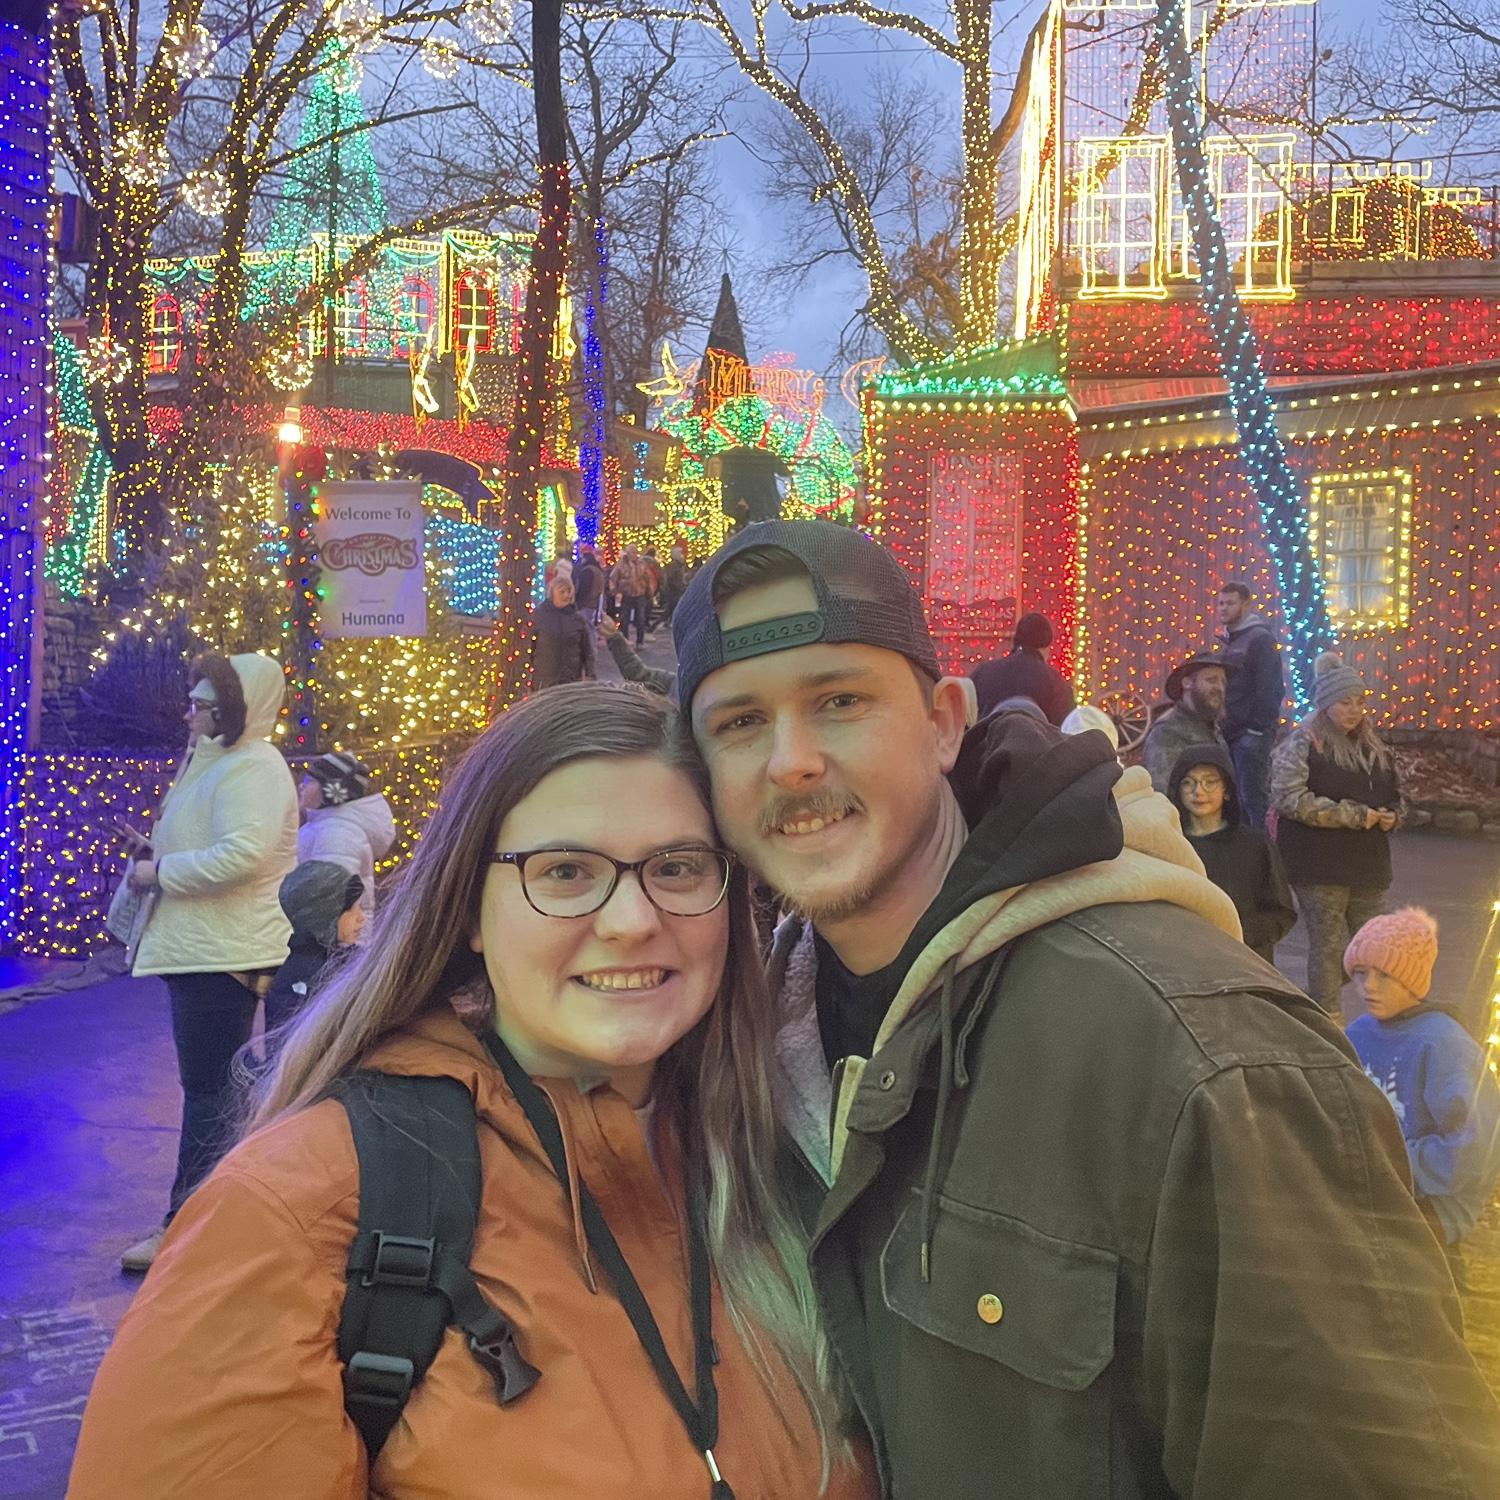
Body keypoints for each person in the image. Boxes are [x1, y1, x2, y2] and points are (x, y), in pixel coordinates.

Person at [671, 519, 1500, 1498]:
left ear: (944, 721)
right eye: (739, 723)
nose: (792, 761)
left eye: (840, 701)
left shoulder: (1210, 1065)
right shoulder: (751, 1051)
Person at [68, 684, 875, 1500]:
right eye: (565, 871)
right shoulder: (299, 1209)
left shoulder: (796, 1151)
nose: (632, 920)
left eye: (677, 867)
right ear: (470, 913)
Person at [117, 652, 299, 1273]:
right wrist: (157, 852)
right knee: (216, 1093)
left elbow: (243, 854)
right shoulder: (220, 761)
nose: (188, 714)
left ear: (233, 710)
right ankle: (211, 1225)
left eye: (201, 705)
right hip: (207, 947)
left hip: (224, 952)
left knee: (211, 1096)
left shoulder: (252, 766)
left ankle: (188, 1230)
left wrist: (160, 871)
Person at [1346, 908, 1500, 1288]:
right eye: (1361, 973)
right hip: (1373, 1182)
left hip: (1431, 1199)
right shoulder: (1358, 1033)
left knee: (1420, 1290)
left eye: (1384, 975)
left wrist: (1394, 1166)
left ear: (1412, 980)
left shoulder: (1444, 1043)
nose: (1369, 986)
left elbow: (1474, 1146)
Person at [1271, 651, 1402, 1018]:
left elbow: (1394, 794)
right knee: (1330, 946)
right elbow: (1288, 797)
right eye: (1345, 702)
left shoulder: (1374, 749)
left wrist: (1394, 815)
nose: (1355, 710)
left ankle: (1385, 1016)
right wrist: (1352, 815)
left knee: (1374, 945)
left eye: (1360, 702)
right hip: (1319, 864)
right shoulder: (1304, 743)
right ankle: (1329, 1019)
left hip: (1368, 864)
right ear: (1326, 703)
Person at [1167, 745, 1295, 963]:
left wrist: (1237, 933)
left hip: (1245, 960)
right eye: (1188, 782)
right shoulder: (1170, 845)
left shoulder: (1254, 845)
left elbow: (1281, 911)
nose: (1199, 791)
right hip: (1185, 960)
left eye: (1210, 782)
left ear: (1226, 790)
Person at [262, 859, 366, 1042]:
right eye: (351, 909)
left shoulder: (335, 961)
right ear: (325, 915)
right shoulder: (306, 974)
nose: (361, 917)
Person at [297, 749, 396, 933]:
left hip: (332, 946)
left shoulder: (336, 833)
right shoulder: (326, 827)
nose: (301, 786)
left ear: (329, 790)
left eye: (310, 781)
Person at [1214, 580, 1285, 831]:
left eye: (1230, 603)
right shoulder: (1230, 641)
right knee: (1235, 797)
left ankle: (1263, 849)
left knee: (1252, 798)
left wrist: (1257, 727)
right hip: (1231, 731)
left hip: (1250, 734)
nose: (1223, 608)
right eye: (1220, 603)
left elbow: (1271, 687)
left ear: (1246, 604)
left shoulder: (1259, 639)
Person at [1141, 647, 1232, 792]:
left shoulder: (1213, 729)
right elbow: (1162, 790)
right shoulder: (1167, 731)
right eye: (1211, 680)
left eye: (1223, 683)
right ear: (1187, 683)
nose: (1220, 688)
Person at [968, 611, 1076, 725]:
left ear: (1015, 641)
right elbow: (1067, 728)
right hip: (1037, 736)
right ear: (1046, 646)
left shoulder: (983, 673)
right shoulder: (1057, 684)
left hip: (989, 735)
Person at [531, 572, 596, 691]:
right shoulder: (539, 616)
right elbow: (529, 647)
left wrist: (590, 675)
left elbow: (587, 650)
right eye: (562, 591)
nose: (566, 595)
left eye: (569, 591)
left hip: (570, 681)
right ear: (552, 593)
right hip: (544, 681)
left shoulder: (577, 619)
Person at [598, 612, 675, 696]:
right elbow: (640, 674)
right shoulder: (680, 683)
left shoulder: (680, 684)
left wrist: (614, 637)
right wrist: (614, 637)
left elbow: (640, 675)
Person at [610, 544, 651, 647]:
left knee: (640, 618)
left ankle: (640, 641)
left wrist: (649, 591)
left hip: (640, 594)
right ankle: (625, 640)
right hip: (626, 594)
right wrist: (614, 591)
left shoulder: (642, 564)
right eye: (630, 552)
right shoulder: (621, 565)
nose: (633, 554)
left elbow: (647, 577)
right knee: (624, 618)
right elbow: (613, 578)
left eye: (634, 552)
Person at [575, 542, 606, 624]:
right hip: (597, 604)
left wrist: (578, 601)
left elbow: (583, 589)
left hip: (588, 604)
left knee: (587, 627)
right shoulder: (597, 569)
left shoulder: (587, 571)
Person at [661, 545, 689, 625]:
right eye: (681, 554)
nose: (682, 556)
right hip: (674, 593)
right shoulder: (674, 566)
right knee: (671, 610)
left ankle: (668, 622)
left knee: (672, 610)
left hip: (677, 592)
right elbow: (672, 580)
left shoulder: (680, 566)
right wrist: (682, 588)